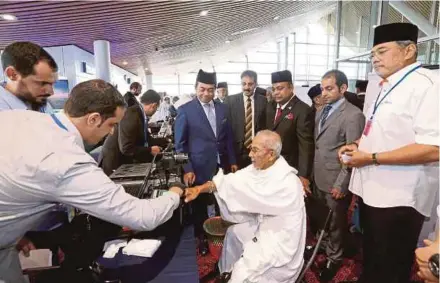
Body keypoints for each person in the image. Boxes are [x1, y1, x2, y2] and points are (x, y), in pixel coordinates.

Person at [0, 80, 184, 283]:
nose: (113, 132)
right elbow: (142, 216)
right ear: (94, 119)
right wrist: (174, 193)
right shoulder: (66, 160)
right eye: (112, 125)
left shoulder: (21, 117)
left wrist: (13, 230)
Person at [339, 23, 439, 283]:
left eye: (382, 51)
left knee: (391, 267)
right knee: (372, 258)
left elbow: (433, 148)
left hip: (399, 197)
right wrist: (359, 146)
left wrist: (371, 158)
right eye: (373, 53)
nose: (375, 59)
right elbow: (381, 130)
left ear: (409, 51)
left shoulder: (429, 85)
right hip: (372, 190)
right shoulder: (383, 85)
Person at [184, 130, 306, 283]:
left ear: (271, 154)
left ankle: (234, 277)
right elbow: (231, 181)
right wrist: (199, 189)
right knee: (233, 233)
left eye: (255, 150)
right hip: (262, 225)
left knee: (242, 273)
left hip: (279, 241)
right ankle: (224, 272)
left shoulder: (287, 183)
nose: (250, 155)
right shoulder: (260, 167)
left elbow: (252, 196)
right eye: (251, 149)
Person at [174, 69, 237, 256]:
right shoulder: (185, 111)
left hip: (221, 165)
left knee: (222, 200)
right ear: (196, 88)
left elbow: (228, 139)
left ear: (215, 90)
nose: (206, 93)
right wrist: (187, 168)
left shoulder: (223, 108)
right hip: (198, 166)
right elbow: (180, 145)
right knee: (200, 204)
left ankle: (222, 234)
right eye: (202, 89)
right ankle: (201, 238)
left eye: (210, 90)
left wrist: (232, 160)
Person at [313, 70, 365, 282]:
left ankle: (334, 258)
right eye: (322, 88)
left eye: (329, 88)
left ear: (343, 89)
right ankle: (323, 249)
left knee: (335, 223)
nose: (323, 93)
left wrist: (342, 185)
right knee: (321, 219)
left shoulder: (353, 115)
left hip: (336, 180)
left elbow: (353, 155)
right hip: (318, 176)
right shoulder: (321, 110)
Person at [266, 70, 315, 194]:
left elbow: (306, 145)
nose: (276, 92)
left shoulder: (303, 110)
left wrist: (303, 175)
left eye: (280, 88)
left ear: (291, 88)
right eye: (273, 89)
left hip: (290, 169)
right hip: (270, 166)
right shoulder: (270, 107)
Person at [99, 89, 164, 176]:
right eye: (156, 108)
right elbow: (126, 148)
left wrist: (166, 141)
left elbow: (147, 139)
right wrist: (150, 150)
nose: (155, 111)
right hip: (114, 161)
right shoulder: (132, 115)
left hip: (122, 160)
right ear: (153, 105)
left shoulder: (140, 114)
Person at [0, 41, 58, 112]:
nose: (50, 92)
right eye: (42, 83)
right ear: (12, 74)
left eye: (51, 84)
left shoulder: (39, 102)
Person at [226, 70, 266, 169]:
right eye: (244, 84)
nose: (246, 87)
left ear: (255, 84)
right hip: (236, 152)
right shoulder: (230, 101)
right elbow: (227, 130)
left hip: (256, 150)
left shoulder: (263, 101)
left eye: (250, 84)